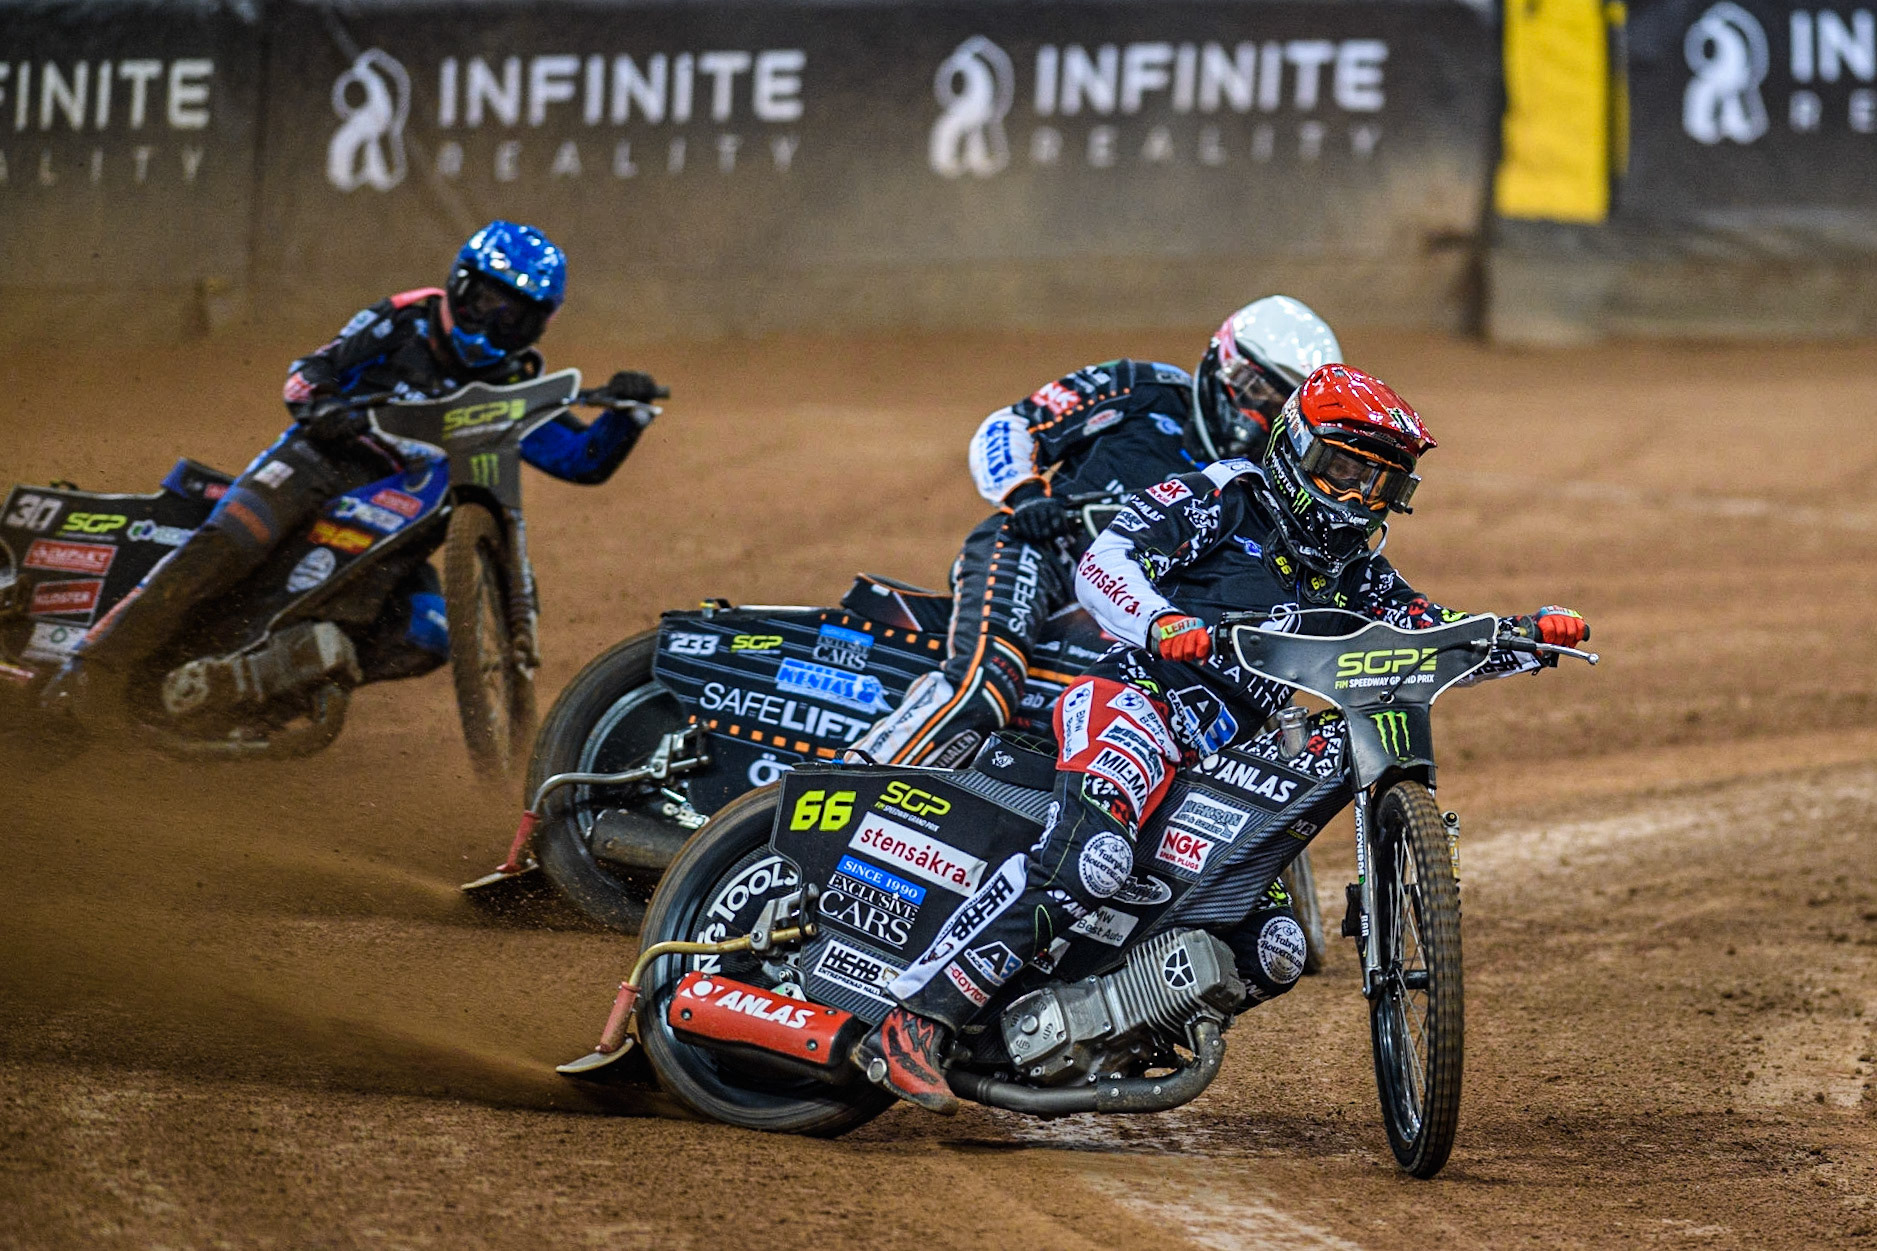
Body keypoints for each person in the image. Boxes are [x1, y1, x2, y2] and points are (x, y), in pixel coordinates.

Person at [853, 363, 1591, 1113]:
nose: (1354, 498)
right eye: (1341, 470)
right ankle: (913, 1016)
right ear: (1295, 448)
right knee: (1094, 857)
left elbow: (1425, 636)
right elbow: (1104, 561)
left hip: (1220, 760)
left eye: (1375, 485)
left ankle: (1093, 1028)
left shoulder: (1355, 569)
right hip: (1135, 699)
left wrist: (1522, 636)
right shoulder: (1224, 496)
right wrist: (1159, 620)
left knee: (1274, 949)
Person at [48, 219, 663, 723]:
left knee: (430, 632)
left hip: (401, 520)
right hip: (318, 463)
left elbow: (578, 462)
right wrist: (324, 408)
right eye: (485, 305)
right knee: (229, 542)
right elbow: (307, 372)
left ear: (538, 326)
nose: (493, 326)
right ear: (459, 284)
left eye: (515, 319)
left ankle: (262, 690)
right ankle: (91, 668)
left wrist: (625, 418)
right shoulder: (404, 319)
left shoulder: (512, 382)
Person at [852, 295, 1342, 767]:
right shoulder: (1139, 387)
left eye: (1277, 407)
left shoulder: (1262, 477)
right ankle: (856, 776)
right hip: (1039, 552)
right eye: (1256, 391)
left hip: (1132, 605)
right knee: (987, 686)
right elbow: (1011, 426)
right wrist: (1026, 495)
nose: (1257, 415)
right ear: (1221, 362)